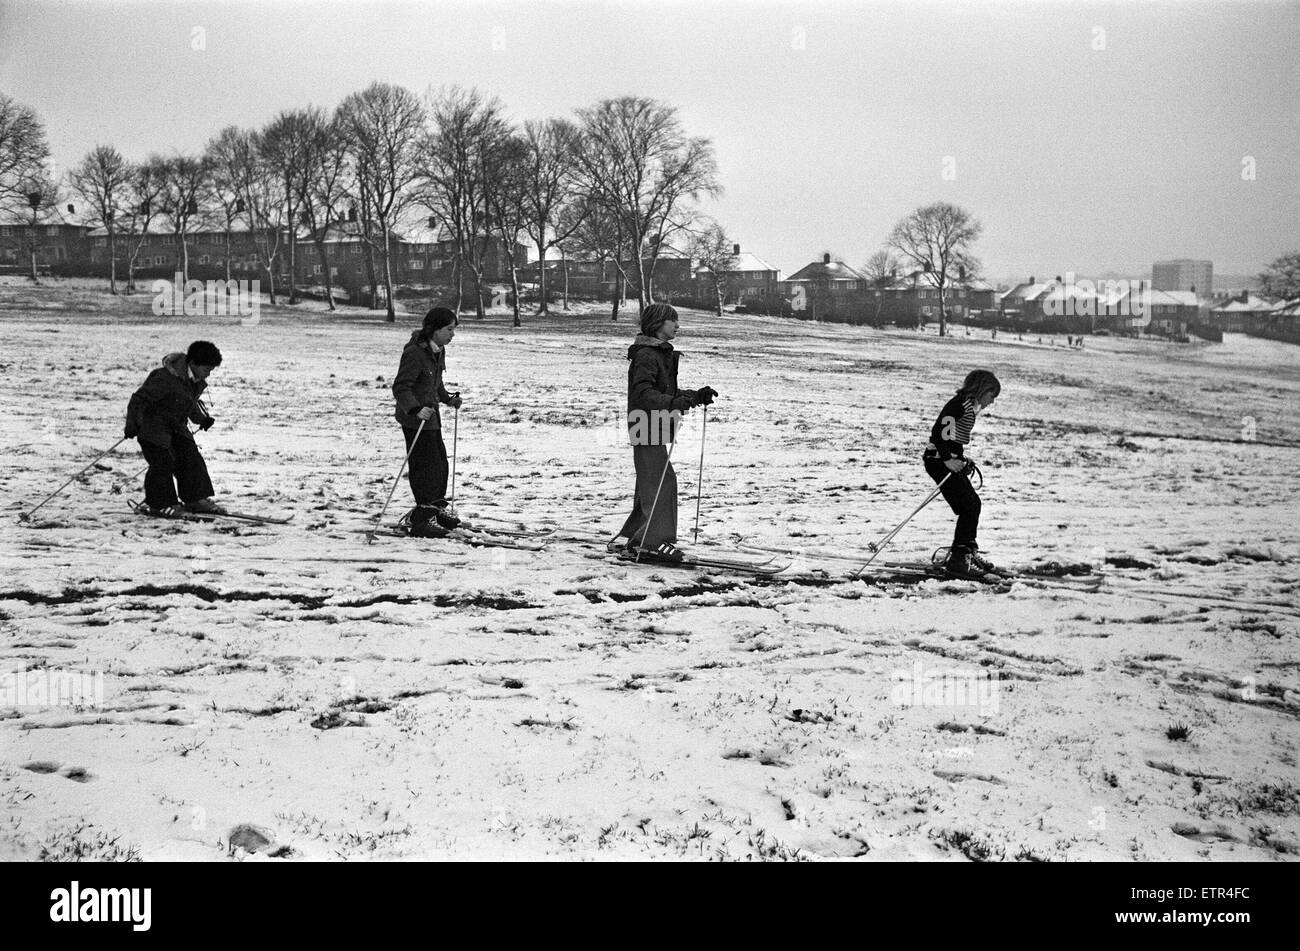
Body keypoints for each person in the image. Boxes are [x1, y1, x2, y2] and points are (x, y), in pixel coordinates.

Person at [610, 303, 717, 563]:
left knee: (652, 483)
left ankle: (637, 537)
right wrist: (673, 403)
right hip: (645, 422)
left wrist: (693, 396)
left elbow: (664, 393)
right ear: (659, 324)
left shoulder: (659, 354)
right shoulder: (647, 355)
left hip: (652, 422)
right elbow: (644, 394)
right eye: (673, 321)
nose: (678, 326)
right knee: (662, 483)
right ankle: (653, 542)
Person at [124, 340, 222, 517]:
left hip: (175, 428)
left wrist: (202, 420)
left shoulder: (192, 379)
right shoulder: (164, 378)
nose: (208, 374)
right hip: (152, 429)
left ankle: (195, 499)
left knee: (190, 456)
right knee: (163, 462)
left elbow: (189, 404)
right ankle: (160, 504)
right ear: (193, 363)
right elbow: (138, 400)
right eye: (207, 369)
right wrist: (132, 424)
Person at [922, 369, 1001, 578]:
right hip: (938, 461)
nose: (992, 402)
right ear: (982, 389)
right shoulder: (959, 405)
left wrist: (961, 458)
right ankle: (960, 558)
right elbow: (938, 434)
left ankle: (966, 552)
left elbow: (951, 439)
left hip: (943, 460)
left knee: (970, 505)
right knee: (970, 505)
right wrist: (948, 459)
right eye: (992, 395)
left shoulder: (967, 407)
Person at [392, 306, 463, 538]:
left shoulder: (438, 350)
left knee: (441, 465)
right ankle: (422, 520)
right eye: (449, 329)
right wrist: (414, 409)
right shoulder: (414, 352)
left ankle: (436, 510)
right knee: (425, 469)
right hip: (416, 421)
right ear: (434, 329)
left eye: (454, 329)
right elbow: (401, 387)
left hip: (432, 419)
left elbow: (436, 385)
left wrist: (448, 399)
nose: (452, 334)